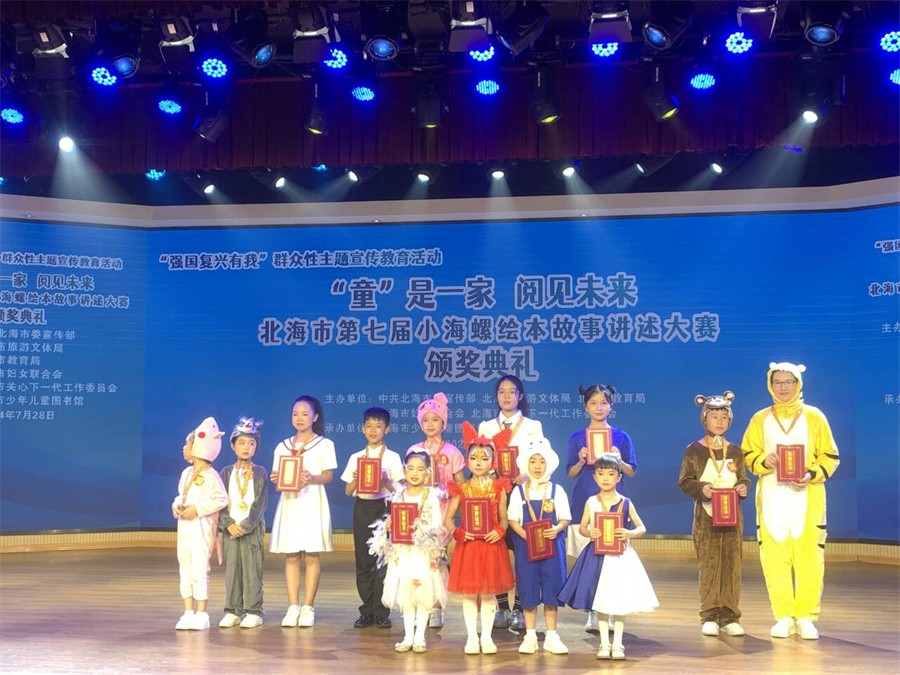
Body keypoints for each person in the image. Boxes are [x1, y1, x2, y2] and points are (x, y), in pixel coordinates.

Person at [742, 362, 840, 640]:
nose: (783, 387)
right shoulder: (760, 419)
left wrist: (811, 474)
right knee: (774, 561)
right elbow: (747, 454)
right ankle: (784, 615)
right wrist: (765, 460)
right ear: (769, 385)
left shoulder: (814, 416)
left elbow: (830, 456)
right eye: (778, 382)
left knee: (810, 560)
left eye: (788, 382)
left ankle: (807, 616)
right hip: (772, 499)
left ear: (798, 384)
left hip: (807, 499)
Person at [558, 454, 658, 660]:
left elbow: (641, 527)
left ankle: (618, 643)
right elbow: (582, 527)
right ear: (595, 477)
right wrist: (589, 532)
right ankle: (604, 643)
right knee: (601, 599)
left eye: (611, 474)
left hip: (620, 557)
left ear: (619, 477)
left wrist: (629, 533)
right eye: (601, 474)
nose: (605, 478)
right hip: (597, 556)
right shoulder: (591, 502)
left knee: (618, 599)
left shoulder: (626, 502)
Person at [565, 384, 637, 632]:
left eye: (603, 403)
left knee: (613, 561)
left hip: (614, 507)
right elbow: (570, 473)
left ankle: (612, 608)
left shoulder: (621, 437)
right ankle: (593, 612)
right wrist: (581, 460)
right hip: (585, 503)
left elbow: (631, 471)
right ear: (585, 407)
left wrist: (619, 460)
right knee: (589, 563)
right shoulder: (577, 437)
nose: (598, 407)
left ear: (611, 406)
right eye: (593, 403)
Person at [677, 392, 750, 637]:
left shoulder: (736, 451)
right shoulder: (694, 450)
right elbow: (685, 481)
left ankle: (730, 616)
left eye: (724, 417)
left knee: (732, 565)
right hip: (706, 518)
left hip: (732, 518)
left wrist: (743, 487)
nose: (719, 421)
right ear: (704, 419)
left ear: (730, 420)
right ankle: (709, 615)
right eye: (714, 417)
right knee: (709, 566)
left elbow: (743, 478)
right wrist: (702, 489)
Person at [477, 375, 544, 632]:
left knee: (523, 550)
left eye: (512, 391)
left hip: (522, 492)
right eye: (501, 392)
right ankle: (502, 606)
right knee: (496, 550)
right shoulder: (486, 426)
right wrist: (490, 472)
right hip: (494, 492)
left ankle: (520, 607)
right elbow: (478, 456)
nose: (506, 396)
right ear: (496, 396)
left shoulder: (533, 426)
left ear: (520, 396)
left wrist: (526, 473)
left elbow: (539, 457)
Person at [444, 423, 516, 655]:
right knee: (469, 594)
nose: (478, 462)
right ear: (467, 461)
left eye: (484, 459)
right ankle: (471, 637)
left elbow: (504, 518)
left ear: (492, 462)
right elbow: (448, 519)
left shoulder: (498, 488)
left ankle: (486, 636)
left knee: (488, 594)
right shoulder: (462, 488)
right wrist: (457, 532)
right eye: (474, 458)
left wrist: (500, 531)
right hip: (469, 547)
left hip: (492, 547)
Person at [369, 452, 449, 653]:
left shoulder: (430, 496)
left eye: (420, 469)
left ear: (427, 473)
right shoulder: (398, 495)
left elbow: (437, 525)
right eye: (411, 468)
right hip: (403, 551)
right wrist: (390, 525)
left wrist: (422, 527)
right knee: (406, 593)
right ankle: (407, 636)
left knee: (422, 593)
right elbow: (395, 519)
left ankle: (420, 636)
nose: (415, 473)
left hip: (422, 552)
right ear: (405, 470)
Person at [269, 395, 337, 628]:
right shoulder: (282, 446)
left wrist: (312, 478)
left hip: (312, 501)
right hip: (290, 502)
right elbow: (278, 477)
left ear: (315, 417)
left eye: (305, 414)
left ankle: (308, 606)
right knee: (291, 556)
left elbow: (328, 476)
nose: (299, 418)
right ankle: (292, 606)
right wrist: (277, 478)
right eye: (295, 414)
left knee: (311, 556)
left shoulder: (324, 444)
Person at [341, 407, 405, 629]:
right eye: (369, 426)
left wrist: (386, 481)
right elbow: (348, 491)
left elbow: (400, 492)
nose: (373, 430)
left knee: (384, 561)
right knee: (363, 559)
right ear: (362, 429)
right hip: (362, 508)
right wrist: (356, 479)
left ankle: (382, 611)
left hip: (385, 509)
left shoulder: (393, 457)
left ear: (387, 429)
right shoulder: (356, 457)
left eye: (378, 426)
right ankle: (366, 610)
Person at [507, 437, 571, 655]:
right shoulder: (519, 492)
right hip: (526, 548)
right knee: (528, 587)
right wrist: (525, 535)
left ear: (549, 464)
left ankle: (552, 636)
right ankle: (530, 635)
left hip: (552, 547)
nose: (537, 466)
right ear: (526, 464)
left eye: (542, 461)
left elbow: (565, 518)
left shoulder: (557, 490)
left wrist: (557, 528)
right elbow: (513, 519)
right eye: (533, 461)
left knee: (553, 587)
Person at [406, 392, 465, 628]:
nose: (430, 424)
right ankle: (419, 604)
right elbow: (407, 482)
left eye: (435, 419)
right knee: (417, 559)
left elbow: (461, 487)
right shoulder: (414, 450)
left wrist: (449, 507)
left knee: (437, 560)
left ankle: (437, 607)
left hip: (442, 514)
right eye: (425, 420)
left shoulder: (452, 452)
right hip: (418, 514)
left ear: (444, 423)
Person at [172, 417, 228, 631]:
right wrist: (178, 506)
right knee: (185, 565)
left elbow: (221, 499)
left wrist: (198, 509)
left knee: (200, 567)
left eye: (187, 444)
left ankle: (202, 613)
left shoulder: (211, 475)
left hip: (202, 528)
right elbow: (180, 495)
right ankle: (188, 612)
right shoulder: (186, 473)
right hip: (185, 527)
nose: (184, 448)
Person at [218, 417, 268, 629]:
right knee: (232, 570)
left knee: (252, 569)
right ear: (233, 445)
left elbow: (260, 503)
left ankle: (254, 610)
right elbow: (220, 502)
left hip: (251, 530)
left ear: (256, 446)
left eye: (251, 443)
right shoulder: (226, 472)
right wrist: (228, 523)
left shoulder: (260, 472)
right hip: (230, 529)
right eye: (241, 443)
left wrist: (247, 525)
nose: (246, 447)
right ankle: (232, 610)